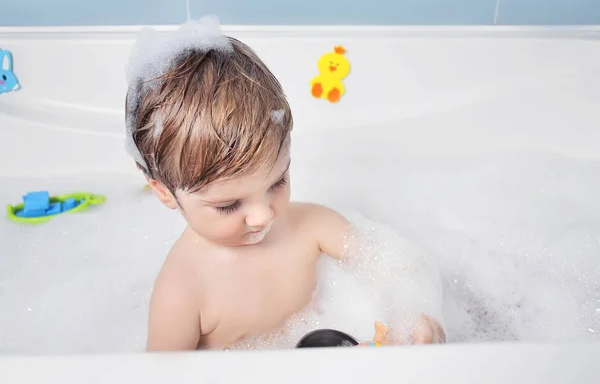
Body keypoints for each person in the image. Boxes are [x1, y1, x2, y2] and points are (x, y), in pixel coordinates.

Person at [125, 23, 445, 351]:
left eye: (277, 182)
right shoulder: (182, 291)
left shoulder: (312, 226)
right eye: (229, 205)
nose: (263, 215)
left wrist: (418, 320)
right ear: (164, 192)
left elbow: (395, 270)